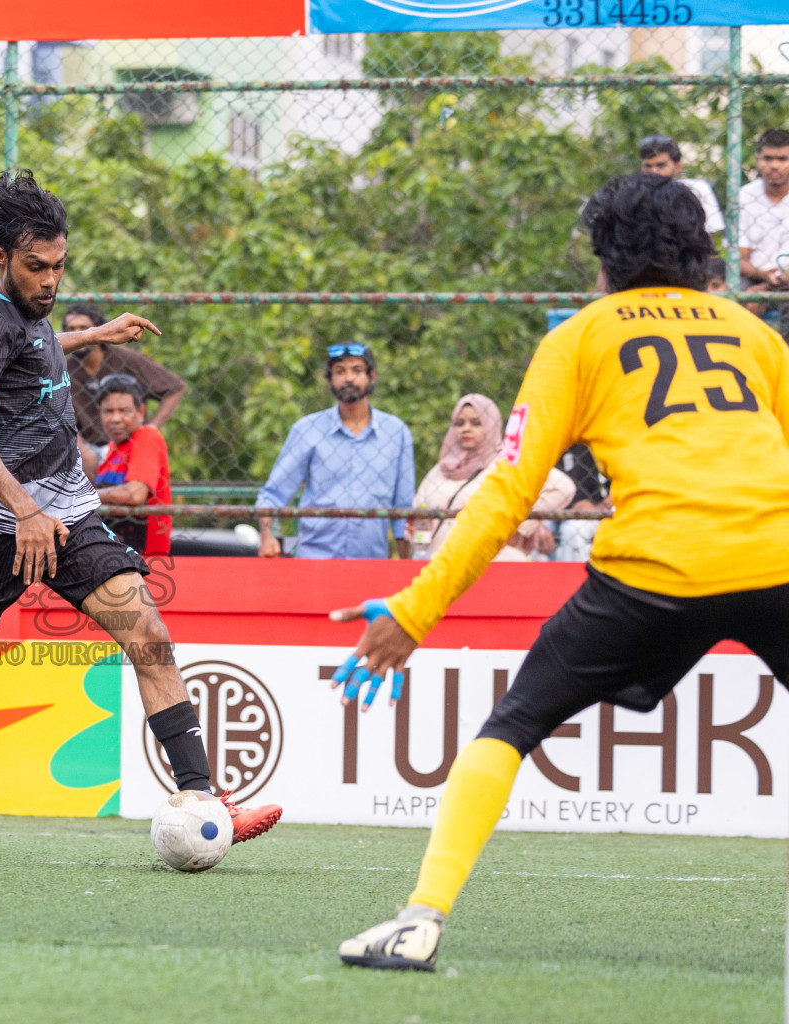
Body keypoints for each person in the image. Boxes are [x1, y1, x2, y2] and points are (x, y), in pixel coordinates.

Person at [331, 173, 789, 971]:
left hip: (654, 569)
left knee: (513, 726)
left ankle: (421, 920)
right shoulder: (754, 332)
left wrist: (415, 608)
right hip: (779, 557)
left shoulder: (580, 336)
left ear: (603, 259)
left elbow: (508, 489)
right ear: (701, 256)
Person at [0, 169, 281, 843]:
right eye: (35, 267)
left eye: (59, 266)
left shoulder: (32, 316)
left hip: (70, 516)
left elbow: (38, 348)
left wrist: (95, 332)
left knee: (150, 635)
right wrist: (24, 511)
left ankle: (206, 797)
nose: (50, 281)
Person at [255, 343, 415, 559]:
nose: (348, 378)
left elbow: (403, 508)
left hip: (372, 561)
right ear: (330, 379)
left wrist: (404, 566)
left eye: (357, 370)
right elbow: (273, 494)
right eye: (340, 371)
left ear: (372, 376)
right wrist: (267, 536)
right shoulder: (308, 430)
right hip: (315, 559)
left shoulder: (396, 432)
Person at [409, 394, 574, 561]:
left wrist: (516, 525)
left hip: (491, 560)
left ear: (490, 425)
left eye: (476, 423)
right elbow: (416, 514)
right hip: (438, 562)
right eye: (459, 423)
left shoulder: (506, 463)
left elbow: (563, 487)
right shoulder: (442, 468)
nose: (466, 429)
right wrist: (416, 529)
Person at [64, 301, 186, 477]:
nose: (78, 334)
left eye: (83, 328)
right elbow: (56, 414)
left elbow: (175, 388)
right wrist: (80, 447)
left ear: (97, 330)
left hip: (128, 443)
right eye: (71, 328)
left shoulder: (125, 359)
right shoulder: (64, 369)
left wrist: (149, 431)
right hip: (85, 448)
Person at [92, 374, 172, 557]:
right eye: (108, 411)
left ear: (141, 412)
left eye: (124, 410)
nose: (116, 418)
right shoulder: (112, 448)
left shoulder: (146, 436)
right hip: (115, 553)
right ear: (99, 414)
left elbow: (135, 494)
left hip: (145, 556)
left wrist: (85, 496)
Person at [638, 134, 724, 234]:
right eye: (648, 166)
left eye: (661, 165)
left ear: (677, 166)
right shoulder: (635, 195)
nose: (654, 172)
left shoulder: (697, 189)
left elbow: (709, 236)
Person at [740, 129, 789, 301]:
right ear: (758, 160)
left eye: (782, 159)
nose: (774, 165)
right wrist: (764, 277)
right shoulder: (744, 195)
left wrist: (765, 288)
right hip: (753, 277)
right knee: (735, 292)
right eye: (768, 158)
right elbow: (738, 258)